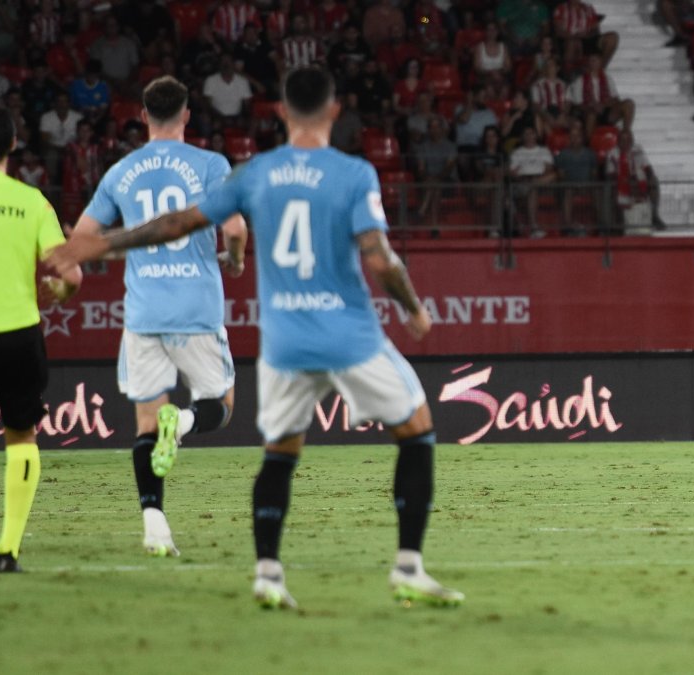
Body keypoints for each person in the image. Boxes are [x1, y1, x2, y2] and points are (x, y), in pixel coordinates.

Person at [47, 66, 463, 610]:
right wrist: (411, 308)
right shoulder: (353, 173)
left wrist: (94, 249)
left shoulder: (252, 173)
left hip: (284, 341)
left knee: (279, 453)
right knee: (416, 427)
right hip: (345, 333)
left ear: (281, 113)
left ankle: (267, 573)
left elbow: (176, 224)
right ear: (334, 112)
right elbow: (379, 257)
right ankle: (408, 565)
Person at [68, 77, 247, 558]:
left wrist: (62, 269)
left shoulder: (121, 172)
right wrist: (235, 258)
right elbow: (234, 225)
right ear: (187, 115)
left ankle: (155, 526)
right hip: (196, 309)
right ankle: (185, 423)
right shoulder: (210, 164)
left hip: (144, 311)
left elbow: (84, 239)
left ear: (143, 116)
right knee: (221, 403)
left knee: (145, 423)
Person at [0, 105, 83, 573]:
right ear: (11, 147)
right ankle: (8, 551)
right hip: (19, 332)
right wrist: (61, 290)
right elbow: (72, 273)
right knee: (21, 434)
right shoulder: (33, 201)